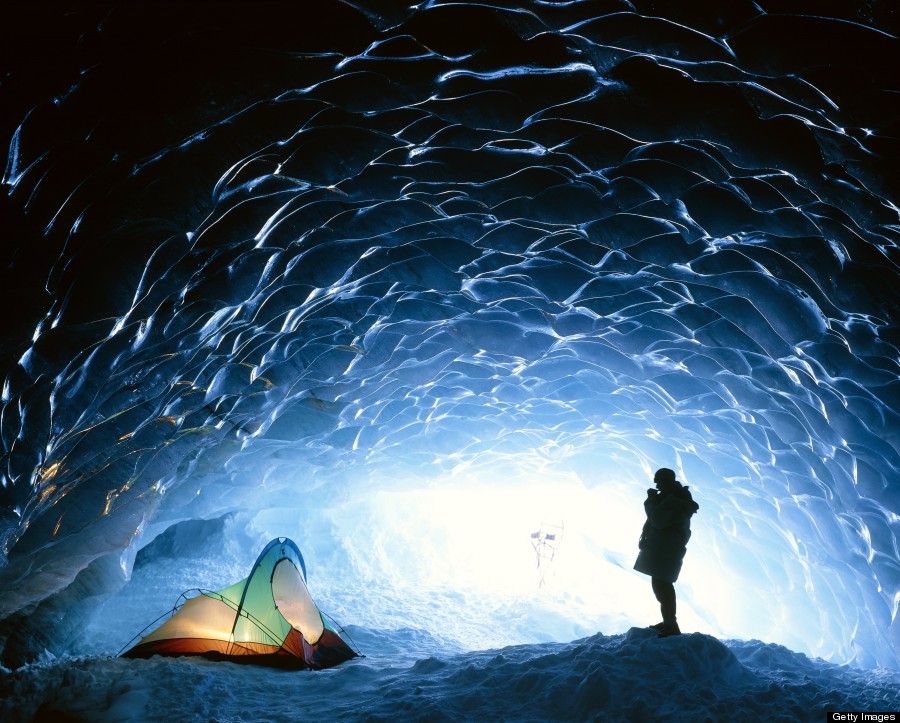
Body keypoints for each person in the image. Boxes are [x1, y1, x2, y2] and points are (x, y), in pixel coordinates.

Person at [633, 468, 699, 637]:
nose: (656, 484)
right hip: (665, 548)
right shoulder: (673, 497)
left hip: (666, 549)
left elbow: (658, 519)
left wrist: (651, 500)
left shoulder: (674, 499)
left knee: (663, 585)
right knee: (660, 584)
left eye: (658, 480)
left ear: (667, 480)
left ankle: (671, 625)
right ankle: (668, 622)